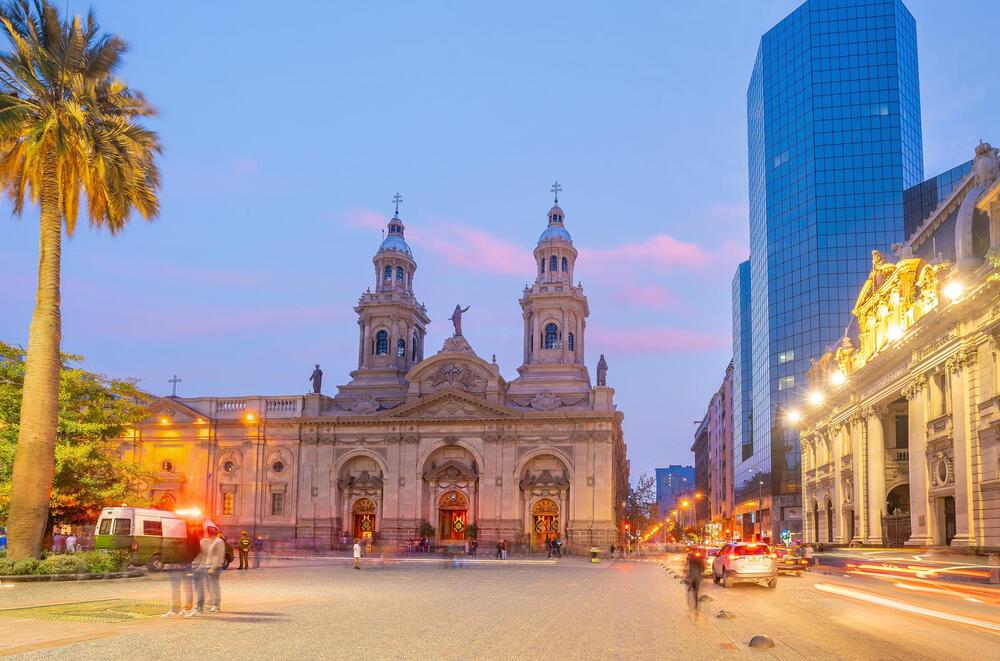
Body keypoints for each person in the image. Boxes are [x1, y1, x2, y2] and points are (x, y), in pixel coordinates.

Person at [188, 527, 226, 617]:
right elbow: (204, 555)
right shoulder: (206, 541)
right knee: (208, 586)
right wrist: (201, 566)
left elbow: (219, 555)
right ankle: (211, 603)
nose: (209, 533)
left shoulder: (218, 541)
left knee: (214, 586)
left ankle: (216, 605)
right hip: (207, 565)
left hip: (215, 567)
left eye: (210, 531)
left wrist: (213, 567)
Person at [686, 551, 706, 620]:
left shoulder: (690, 560)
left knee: (689, 595)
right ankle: (696, 610)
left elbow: (689, 570)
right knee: (696, 595)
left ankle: (691, 611)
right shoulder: (700, 560)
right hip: (698, 579)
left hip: (692, 579)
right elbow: (703, 569)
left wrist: (687, 578)